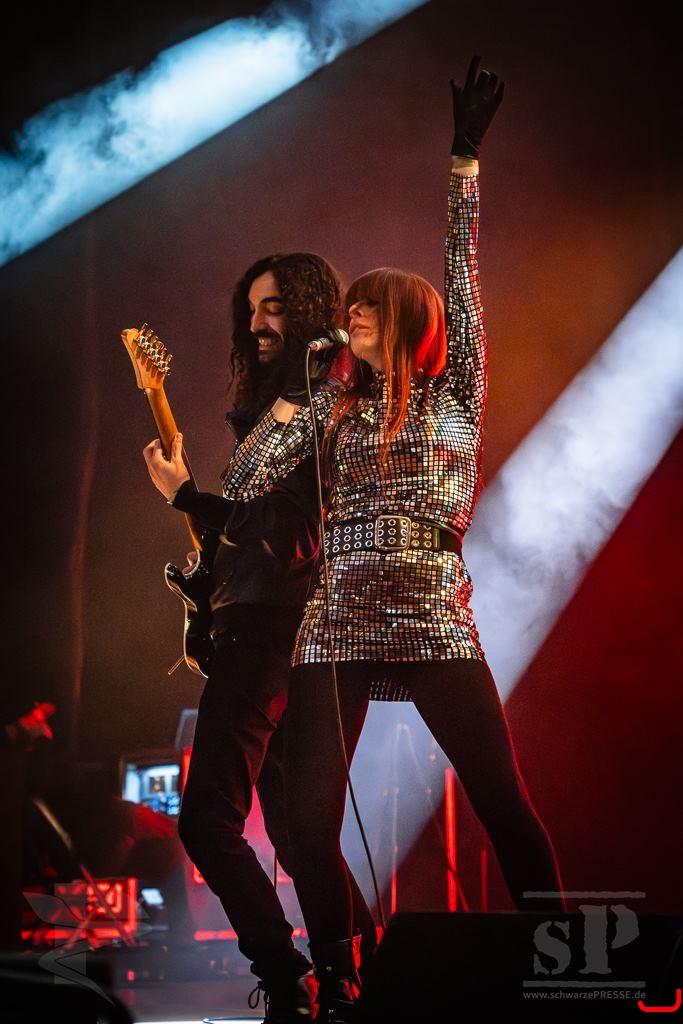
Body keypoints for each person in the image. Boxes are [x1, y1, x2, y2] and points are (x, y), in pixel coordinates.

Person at [202, 55, 567, 1022]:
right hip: (336, 625)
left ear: (404, 318)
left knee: (502, 799)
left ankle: (569, 964)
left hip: (433, 616)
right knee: (305, 820)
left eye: (364, 305)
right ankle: (337, 975)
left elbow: (462, 274)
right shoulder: (332, 405)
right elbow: (244, 482)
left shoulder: (458, 391)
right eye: (347, 306)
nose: (348, 314)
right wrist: (302, 395)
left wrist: (462, 162)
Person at [140, 253, 377, 1024]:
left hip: (276, 629)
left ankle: (287, 975)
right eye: (250, 310)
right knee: (298, 831)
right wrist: (201, 569)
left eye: (271, 307)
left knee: (208, 819)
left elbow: (291, 533)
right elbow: (251, 535)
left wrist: (186, 496)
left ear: (307, 309)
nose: (255, 324)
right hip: (279, 628)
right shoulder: (274, 409)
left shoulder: (323, 400)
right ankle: (347, 982)